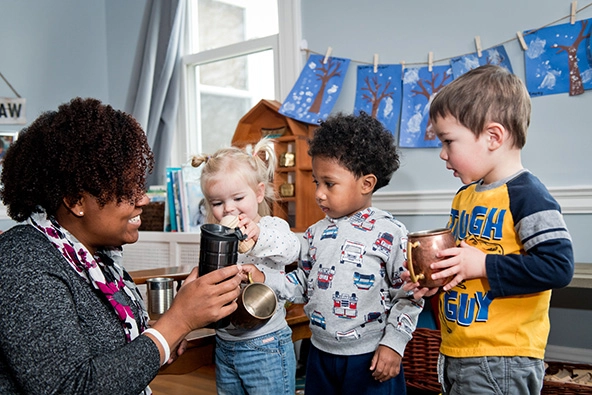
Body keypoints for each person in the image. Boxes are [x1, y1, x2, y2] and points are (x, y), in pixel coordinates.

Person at [0, 97, 244, 395]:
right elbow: (72, 388)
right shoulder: (24, 263)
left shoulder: (94, 260)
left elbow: (110, 360)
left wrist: (164, 332)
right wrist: (176, 323)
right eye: (128, 190)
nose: (143, 199)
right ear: (76, 201)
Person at [246, 112, 429, 395]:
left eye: (329, 184)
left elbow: (409, 296)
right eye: (316, 182)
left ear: (366, 184)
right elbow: (302, 285)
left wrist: (393, 344)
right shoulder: (315, 233)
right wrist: (264, 278)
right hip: (320, 355)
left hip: (371, 359)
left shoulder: (391, 233)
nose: (319, 193)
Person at [427, 65, 574, 394]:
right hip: (458, 349)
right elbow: (463, 261)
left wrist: (482, 265)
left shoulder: (528, 195)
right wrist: (435, 275)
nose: (442, 153)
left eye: (449, 141)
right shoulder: (465, 197)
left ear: (494, 137)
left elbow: (558, 266)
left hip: (502, 357)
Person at [191, 138, 301, 395]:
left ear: (259, 192)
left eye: (238, 198)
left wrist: (257, 236)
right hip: (226, 343)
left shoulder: (271, 227)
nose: (228, 208)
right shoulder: (218, 236)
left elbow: (291, 249)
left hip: (266, 344)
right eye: (217, 203)